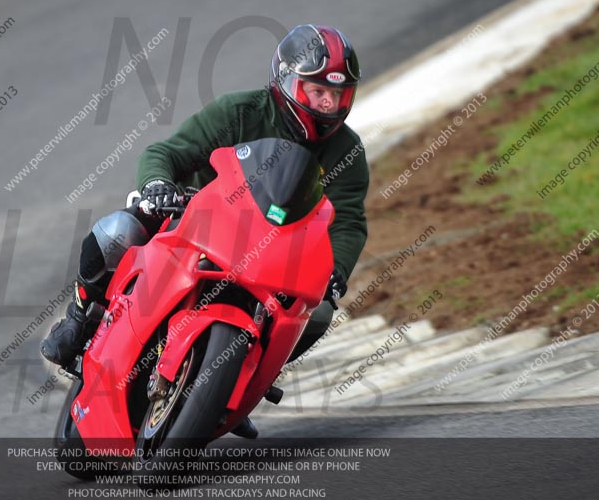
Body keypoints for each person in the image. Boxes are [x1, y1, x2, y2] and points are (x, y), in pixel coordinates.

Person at [41, 24, 368, 438]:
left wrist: (336, 270)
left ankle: (240, 381)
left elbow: (350, 219)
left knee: (316, 311)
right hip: (197, 219)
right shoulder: (240, 111)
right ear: (287, 82)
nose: (327, 104)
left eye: (338, 95)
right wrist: (158, 185)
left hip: (275, 253)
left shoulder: (347, 153)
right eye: (316, 92)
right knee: (121, 229)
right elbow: (167, 153)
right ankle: (79, 320)